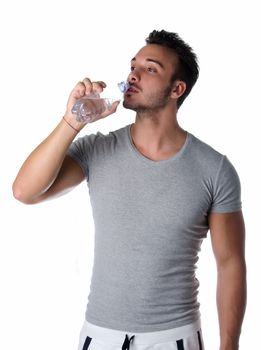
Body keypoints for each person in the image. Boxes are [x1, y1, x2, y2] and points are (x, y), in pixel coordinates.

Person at [12, 30, 246, 350]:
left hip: (173, 336)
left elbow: (230, 262)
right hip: (100, 335)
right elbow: (25, 191)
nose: (133, 74)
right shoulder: (98, 149)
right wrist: (72, 121)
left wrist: (229, 345)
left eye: (150, 69)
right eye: (132, 65)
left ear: (177, 89)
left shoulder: (214, 169)